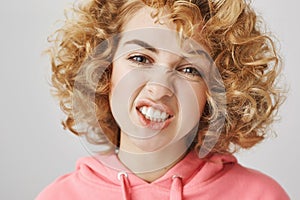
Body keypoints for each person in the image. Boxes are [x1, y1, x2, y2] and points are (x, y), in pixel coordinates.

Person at [37, 0, 289, 199]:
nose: (159, 89)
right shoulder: (59, 196)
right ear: (105, 69)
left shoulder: (261, 195)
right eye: (140, 58)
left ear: (215, 94)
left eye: (189, 70)